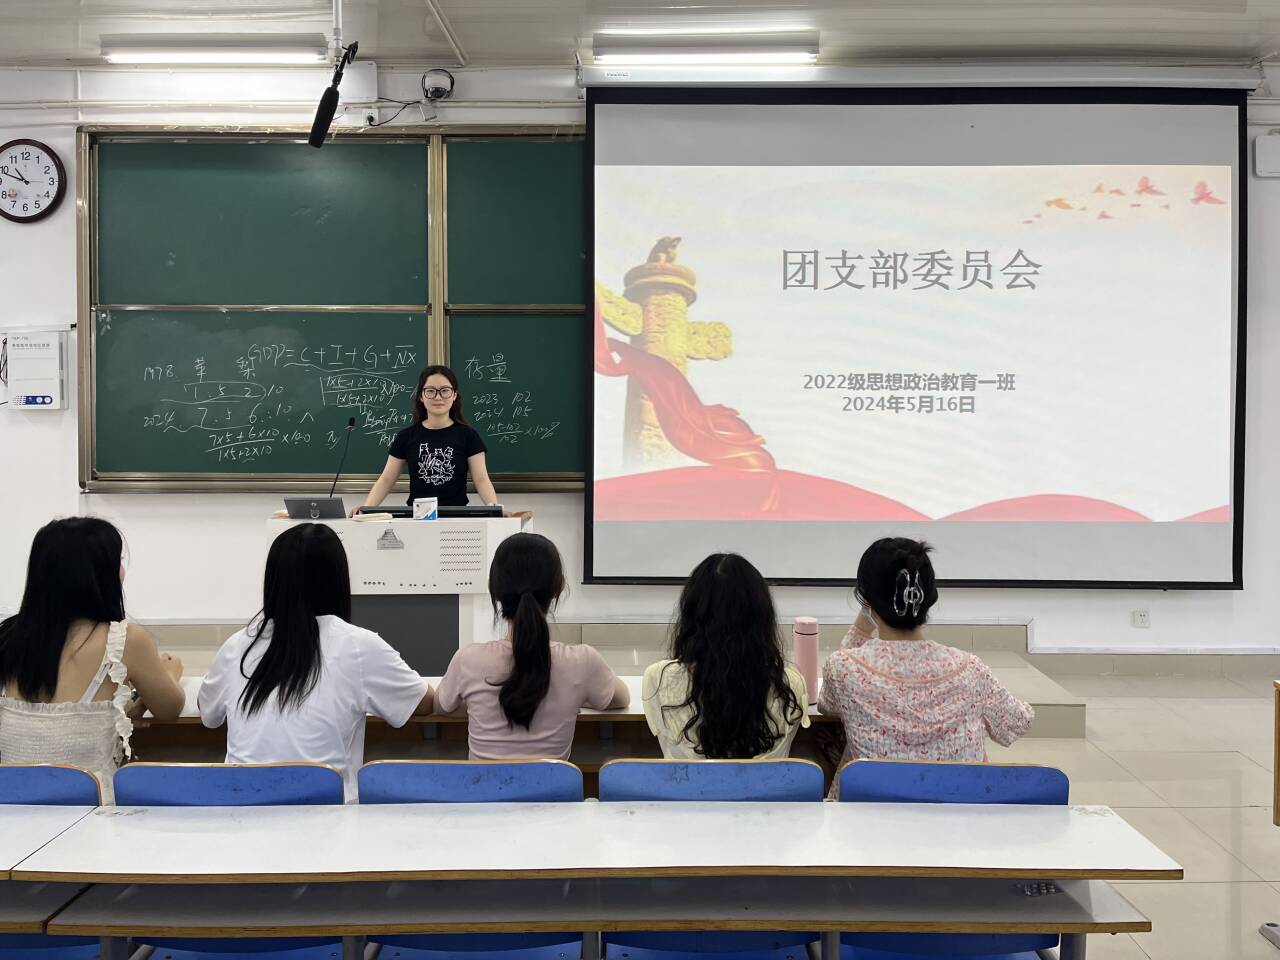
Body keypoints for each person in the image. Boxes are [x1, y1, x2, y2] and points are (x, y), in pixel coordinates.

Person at [198, 523, 433, 801]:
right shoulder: (358, 645)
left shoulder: (238, 645)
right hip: (327, 815)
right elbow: (423, 702)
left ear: (273, 582)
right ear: (338, 580)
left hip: (241, 810)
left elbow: (208, 714)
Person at [819, 538, 1034, 794]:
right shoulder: (970, 670)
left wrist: (865, 617)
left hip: (871, 811)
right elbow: (1017, 723)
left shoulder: (843, 669)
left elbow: (828, 704)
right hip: (954, 813)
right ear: (929, 598)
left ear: (867, 602)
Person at [0, 518, 186, 803]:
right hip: (91, 810)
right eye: (117, 561)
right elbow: (169, 708)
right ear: (99, 575)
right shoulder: (124, 639)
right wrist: (171, 671)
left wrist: (118, 713)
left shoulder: (8, 635)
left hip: (13, 809)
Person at [434, 532, 629, 759]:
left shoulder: (468, 659)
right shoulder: (582, 662)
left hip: (482, 784)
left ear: (493, 587)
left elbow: (441, 706)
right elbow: (621, 698)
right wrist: (578, 695)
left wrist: (478, 705)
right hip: (554, 784)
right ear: (559, 587)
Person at [642, 553, 808, 759]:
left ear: (691, 615)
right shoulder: (790, 684)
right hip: (766, 783)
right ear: (762, 618)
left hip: (687, 782)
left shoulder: (657, 679)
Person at [360, 365, 499, 513]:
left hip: (457, 516)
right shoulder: (405, 436)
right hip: (417, 517)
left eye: (445, 390)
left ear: (454, 395)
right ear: (421, 396)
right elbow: (386, 480)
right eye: (431, 391)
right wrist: (365, 509)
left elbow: (481, 479)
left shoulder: (469, 435)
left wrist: (496, 509)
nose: (438, 397)